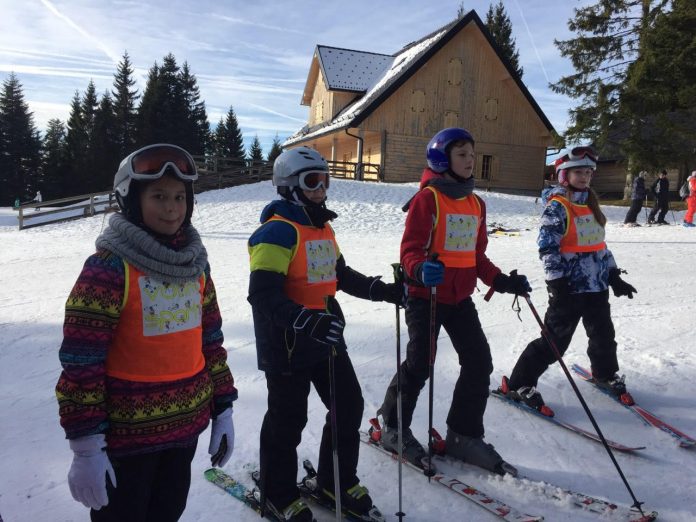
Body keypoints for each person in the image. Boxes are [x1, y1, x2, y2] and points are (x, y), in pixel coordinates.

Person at [56, 144, 237, 522]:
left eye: (178, 197)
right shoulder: (108, 269)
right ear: (131, 199)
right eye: (158, 196)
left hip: (184, 433)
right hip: (126, 444)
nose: (171, 208)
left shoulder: (196, 268)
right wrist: (86, 443)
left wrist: (223, 407)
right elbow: (81, 363)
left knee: (167, 513)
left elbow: (211, 343)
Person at [247, 147, 402, 522]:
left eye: (325, 181)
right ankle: (277, 492)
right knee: (288, 419)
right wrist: (305, 320)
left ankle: (336, 480)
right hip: (286, 342)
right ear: (289, 187)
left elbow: (340, 276)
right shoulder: (276, 232)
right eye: (312, 182)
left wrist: (383, 290)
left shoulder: (322, 228)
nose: (321, 190)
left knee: (348, 406)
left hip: (326, 336)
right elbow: (262, 294)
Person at [376, 128, 531, 476]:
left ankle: (463, 434)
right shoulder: (427, 199)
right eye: (461, 154)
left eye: (472, 155)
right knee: (420, 363)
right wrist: (419, 269)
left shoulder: (477, 203)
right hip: (425, 296)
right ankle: (393, 426)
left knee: (479, 362)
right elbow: (410, 250)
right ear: (442, 158)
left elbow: (477, 259)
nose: (470, 160)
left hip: (459, 298)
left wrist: (504, 281)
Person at [499, 147, 637, 415]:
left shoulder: (591, 206)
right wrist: (556, 282)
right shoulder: (557, 206)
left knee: (603, 336)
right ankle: (518, 383)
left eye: (588, 172)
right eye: (578, 171)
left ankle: (605, 373)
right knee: (554, 342)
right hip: (569, 289)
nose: (584, 176)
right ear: (564, 174)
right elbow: (547, 248)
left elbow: (600, 247)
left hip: (596, 286)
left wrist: (613, 276)